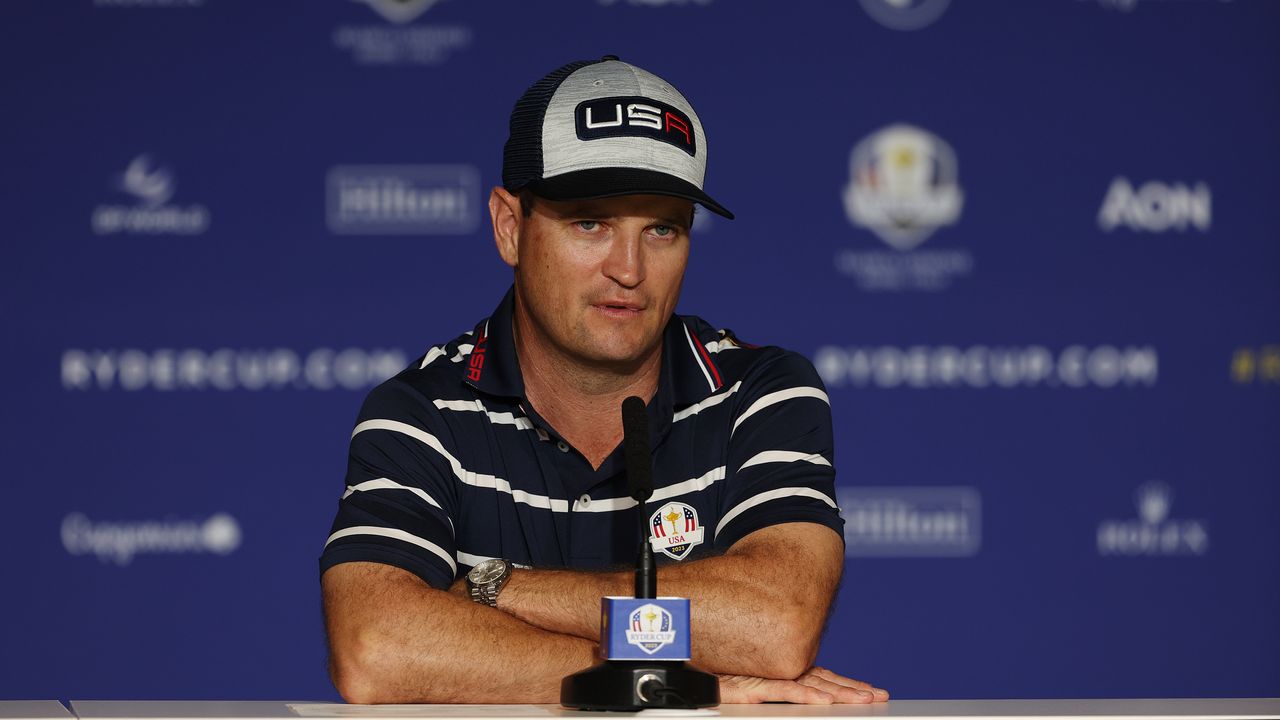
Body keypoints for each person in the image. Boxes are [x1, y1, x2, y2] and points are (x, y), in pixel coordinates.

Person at [320, 56, 888, 705]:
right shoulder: (423, 410)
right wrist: (665, 682)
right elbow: (377, 649)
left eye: (662, 229)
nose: (629, 268)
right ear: (511, 227)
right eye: (590, 223)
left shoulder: (759, 390)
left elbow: (775, 627)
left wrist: (495, 589)